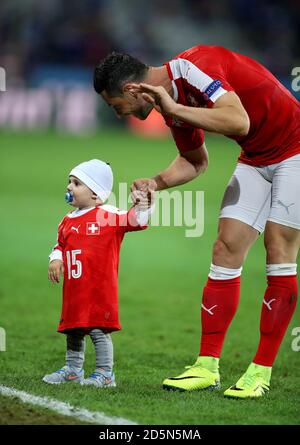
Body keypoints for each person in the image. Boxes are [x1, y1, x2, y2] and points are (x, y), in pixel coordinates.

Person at [93, 46, 300, 398]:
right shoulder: (170, 107)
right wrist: (155, 183)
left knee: (278, 248)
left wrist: (173, 108)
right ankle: (207, 366)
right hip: (256, 157)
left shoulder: (192, 68)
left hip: (295, 148)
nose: (119, 115)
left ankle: (260, 370)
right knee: (225, 249)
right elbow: (195, 161)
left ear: (131, 89)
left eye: (117, 106)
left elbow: (239, 121)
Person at [43, 159, 154, 388]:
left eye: (76, 183)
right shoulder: (67, 220)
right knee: (73, 328)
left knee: (97, 329)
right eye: (69, 182)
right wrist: (55, 259)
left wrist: (144, 205)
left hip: (99, 288)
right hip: (74, 288)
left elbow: (135, 221)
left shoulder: (107, 215)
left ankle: (105, 373)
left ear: (95, 194)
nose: (69, 187)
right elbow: (60, 245)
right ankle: (73, 369)